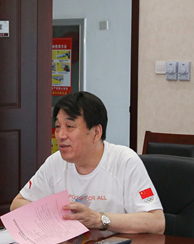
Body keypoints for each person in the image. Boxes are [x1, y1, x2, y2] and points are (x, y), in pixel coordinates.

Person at [11, 91, 165, 234]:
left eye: (70, 127)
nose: (60, 135)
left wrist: (99, 219)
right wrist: (56, 216)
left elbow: (157, 222)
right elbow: (17, 205)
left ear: (96, 133)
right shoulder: (55, 162)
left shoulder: (124, 161)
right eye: (57, 127)